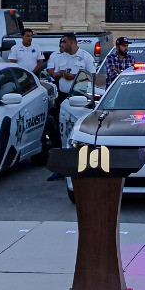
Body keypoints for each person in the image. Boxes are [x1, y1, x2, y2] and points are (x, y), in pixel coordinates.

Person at [44, 34, 96, 180]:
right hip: (62, 96)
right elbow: (53, 75)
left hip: (80, 99)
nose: (62, 44)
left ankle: (83, 163)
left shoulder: (85, 57)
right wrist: (59, 74)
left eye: (64, 42)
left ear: (72, 42)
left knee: (79, 131)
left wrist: (73, 77)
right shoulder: (61, 57)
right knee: (61, 131)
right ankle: (61, 167)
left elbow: (92, 77)